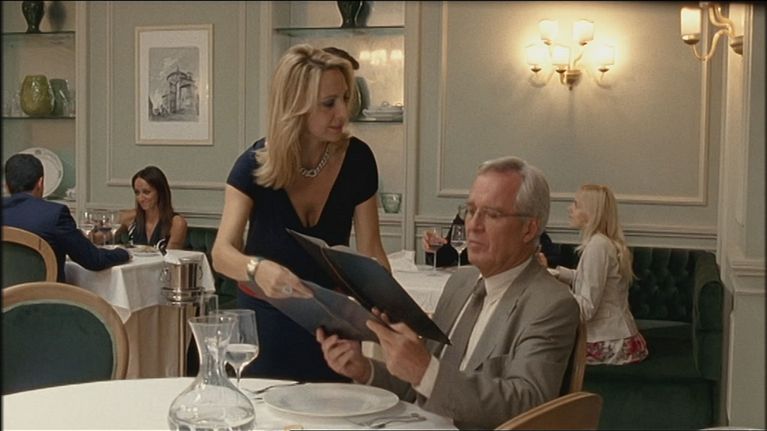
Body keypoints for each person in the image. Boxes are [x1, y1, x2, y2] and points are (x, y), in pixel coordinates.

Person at [317, 156, 580, 429]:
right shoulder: (460, 282)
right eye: (471, 210)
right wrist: (364, 368)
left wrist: (425, 371)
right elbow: (420, 387)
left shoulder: (550, 304)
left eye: (492, 214)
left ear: (529, 229)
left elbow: (529, 404)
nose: (473, 225)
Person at [211, 43, 390, 382]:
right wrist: (257, 269)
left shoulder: (358, 159)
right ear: (295, 106)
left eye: (345, 99)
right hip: (265, 324)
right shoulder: (253, 165)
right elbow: (221, 253)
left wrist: (384, 300)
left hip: (332, 328)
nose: (343, 113)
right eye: (328, 103)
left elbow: (373, 251)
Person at [542, 183, 649, 365]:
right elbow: (586, 278)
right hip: (619, 337)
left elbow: (586, 308)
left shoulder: (597, 247)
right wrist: (554, 273)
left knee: (540, 351)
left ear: (590, 213)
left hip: (608, 341)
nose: (570, 209)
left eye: (576, 205)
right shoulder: (603, 243)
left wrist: (553, 292)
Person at [3, 153, 130, 282]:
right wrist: (123, 253)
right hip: (44, 293)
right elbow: (94, 260)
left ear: (7, 186)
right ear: (40, 183)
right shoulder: (54, 214)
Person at [117, 166, 187, 250]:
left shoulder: (176, 223)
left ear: (160, 192)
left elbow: (171, 256)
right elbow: (106, 236)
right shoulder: (130, 218)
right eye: (137, 193)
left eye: (146, 192)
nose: (140, 199)